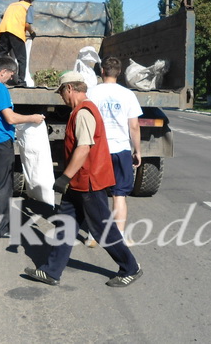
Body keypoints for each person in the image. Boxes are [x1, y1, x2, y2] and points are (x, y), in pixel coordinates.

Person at [24, 71, 142, 287]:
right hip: (78, 183)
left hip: (88, 181)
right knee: (66, 225)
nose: (61, 96)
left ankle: (130, 268)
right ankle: (51, 271)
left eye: (61, 91)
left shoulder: (84, 112)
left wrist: (64, 176)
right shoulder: (80, 110)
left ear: (70, 88)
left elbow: (84, 147)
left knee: (101, 229)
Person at [0, 56, 45, 238]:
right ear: (3, 71)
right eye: (10, 75)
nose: (10, 79)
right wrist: (32, 118)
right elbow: (10, 118)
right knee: (3, 186)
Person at [88, 57, 142, 242]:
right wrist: (137, 150)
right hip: (121, 149)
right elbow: (134, 126)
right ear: (119, 73)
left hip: (98, 149)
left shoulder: (91, 93)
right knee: (119, 194)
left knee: (97, 192)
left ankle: (94, 234)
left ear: (102, 71)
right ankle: (118, 235)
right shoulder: (128, 95)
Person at [0, 0, 36, 86]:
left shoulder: (12, 5)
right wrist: (32, 33)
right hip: (16, 32)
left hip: (4, 31)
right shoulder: (28, 6)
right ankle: (21, 81)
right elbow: (27, 23)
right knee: (22, 58)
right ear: (30, 0)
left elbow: (3, 16)